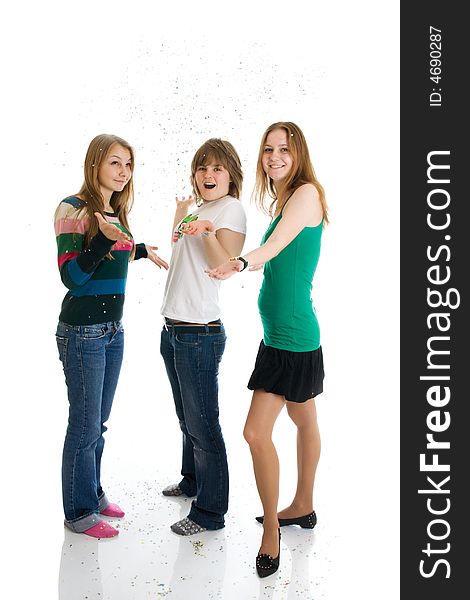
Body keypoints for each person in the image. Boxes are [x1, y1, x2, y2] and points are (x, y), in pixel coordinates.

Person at [207, 122, 328, 577]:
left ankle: (273, 527)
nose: (274, 157)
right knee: (303, 418)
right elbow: (278, 258)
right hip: (280, 335)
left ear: (299, 154)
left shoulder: (306, 195)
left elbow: (275, 247)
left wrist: (240, 260)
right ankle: (304, 506)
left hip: (293, 340)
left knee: (257, 433)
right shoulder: (285, 200)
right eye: (268, 149)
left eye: (283, 149)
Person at [54, 134, 168, 538]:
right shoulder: (74, 208)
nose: (123, 172)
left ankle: (94, 492)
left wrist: (135, 249)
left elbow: (108, 259)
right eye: (115, 163)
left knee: (98, 424)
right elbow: (72, 276)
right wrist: (104, 239)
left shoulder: (113, 211)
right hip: (82, 332)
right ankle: (79, 511)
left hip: (112, 331)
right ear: (96, 164)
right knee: (83, 426)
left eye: (128, 165)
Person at [160, 138, 247, 535]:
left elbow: (222, 265)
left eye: (217, 169)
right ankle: (193, 481)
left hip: (199, 332)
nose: (208, 175)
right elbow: (182, 258)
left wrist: (208, 231)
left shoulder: (230, 210)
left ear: (231, 174)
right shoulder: (199, 209)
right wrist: (182, 215)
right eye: (202, 168)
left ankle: (210, 512)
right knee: (186, 418)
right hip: (175, 327)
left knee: (203, 423)